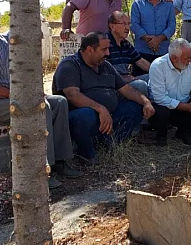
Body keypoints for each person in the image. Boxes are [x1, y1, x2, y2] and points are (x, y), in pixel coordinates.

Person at [0, 32, 82, 189]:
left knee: (59, 102)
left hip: (18, 98)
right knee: (41, 108)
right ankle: (43, 171)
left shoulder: (27, 49)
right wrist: (25, 97)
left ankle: (60, 161)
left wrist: (35, 94)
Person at [53, 32, 155, 165]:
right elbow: (73, 95)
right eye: (104, 49)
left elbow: (126, 89)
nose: (108, 53)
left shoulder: (105, 65)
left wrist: (146, 102)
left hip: (107, 116)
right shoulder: (70, 65)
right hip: (79, 118)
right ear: (90, 49)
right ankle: (85, 153)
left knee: (136, 107)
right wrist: (101, 109)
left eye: (108, 49)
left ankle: (108, 142)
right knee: (85, 114)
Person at [148, 38, 191, 146]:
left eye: (190, 56)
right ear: (174, 58)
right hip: (164, 107)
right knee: (161, 112)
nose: (190, 60)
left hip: (184, 106)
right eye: (187, 58)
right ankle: (161, 134)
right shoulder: (158, 66)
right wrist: (188, 107)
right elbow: (160, 98)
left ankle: (184, 131)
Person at [130, 0, 176, 75]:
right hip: (141, 53)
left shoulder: (168, 5)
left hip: (163, 52)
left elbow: (172, 25)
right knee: (141, 84)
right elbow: (134, 25)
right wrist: (149, 40)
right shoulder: (137, 4)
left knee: (163, 83)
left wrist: (159, 39)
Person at [105, 11, 150, 96]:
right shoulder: (104, 43)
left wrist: (158, 71)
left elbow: (140, 61)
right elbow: (101, 72)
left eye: (129, 24)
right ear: (112, 26)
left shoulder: (125, 43)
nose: (127, 27)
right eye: (124, 24)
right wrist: (123, 79)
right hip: (114, 85)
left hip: (129, 79)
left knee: (154, 77)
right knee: (141, 85)